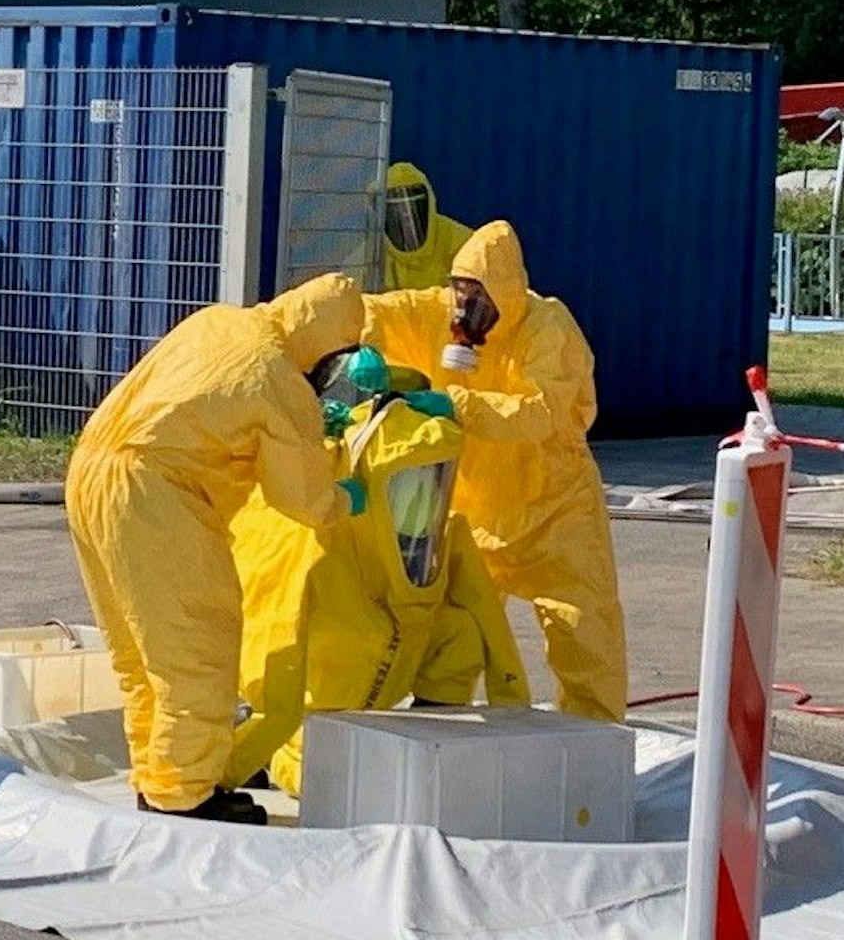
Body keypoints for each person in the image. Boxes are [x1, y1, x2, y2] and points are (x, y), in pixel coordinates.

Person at [66, 274, 369, 825]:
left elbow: (206, 404)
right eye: (337, 363)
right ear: (328, 347)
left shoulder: (221, 321)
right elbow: (301, 499)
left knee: (141, 653)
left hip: (91, 469)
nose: (331, 376)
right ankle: (186, 795)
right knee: (197, 646)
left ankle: (158, 778)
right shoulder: (279, 379)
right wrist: (345, 499)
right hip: (156, 492)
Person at [358, 221, 629, 723]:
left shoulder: (548, 327)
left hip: (553, 507)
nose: (466, 309)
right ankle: (439, 729)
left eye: (480, 295)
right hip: (475, 511)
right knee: (450, 626)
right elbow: (360, 310)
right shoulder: (432, 313)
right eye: (461, 292)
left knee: (582, 629)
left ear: (507, 292)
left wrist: (453, 403)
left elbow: (540, 414)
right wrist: (356, 344)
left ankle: (597, 740)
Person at [224, 389, 531, 797]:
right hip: (317, 691)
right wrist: (235, 765)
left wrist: (515, 716)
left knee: (458, 633)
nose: (424, 498)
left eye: (432, 478)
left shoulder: (443, 538)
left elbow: (485, 617)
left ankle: (424, 738)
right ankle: (272, 758)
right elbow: (271, 650)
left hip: (389, 651)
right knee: (316, 774)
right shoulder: (314, 547)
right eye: (409, 482)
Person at [383, 162, 474, 291]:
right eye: (397, 208)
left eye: (414, 206)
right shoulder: (373, 249)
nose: (407, 216)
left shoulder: (462, 241)